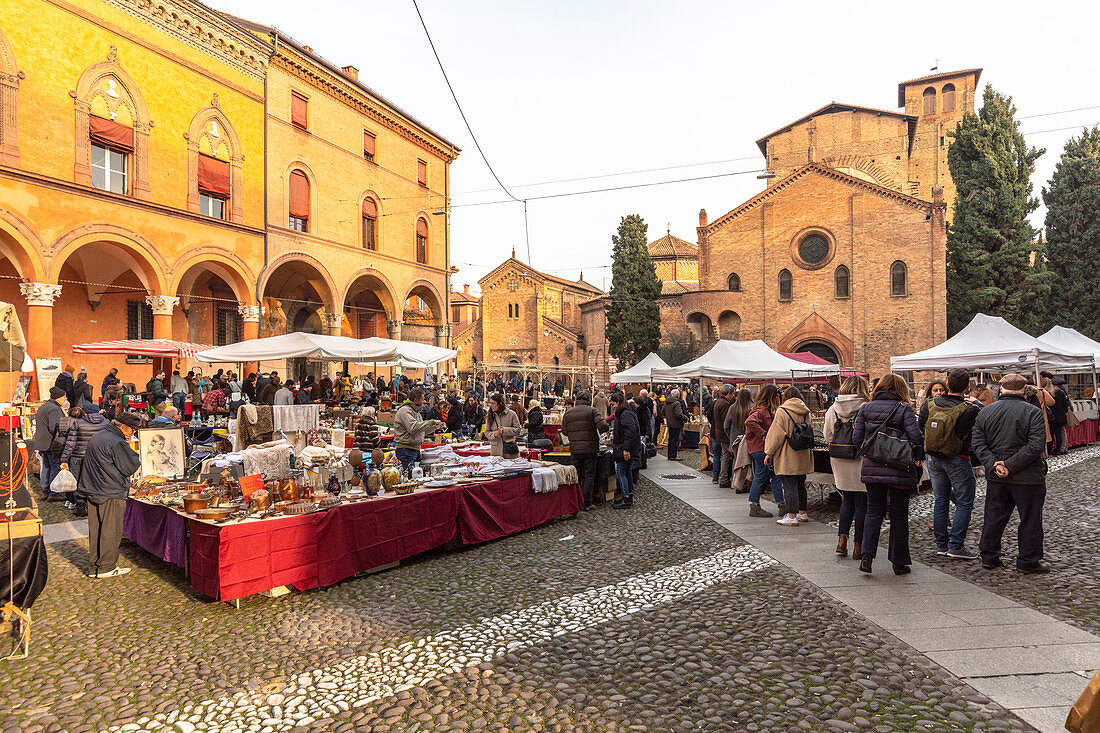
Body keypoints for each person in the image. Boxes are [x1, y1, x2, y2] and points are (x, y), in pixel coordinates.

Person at [972, 372, 1050, 573]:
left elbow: (978, 444)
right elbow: (1036, 446)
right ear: (1025, 390)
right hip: (1027, 477)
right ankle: (1028, 560)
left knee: (994, 516)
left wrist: (996, 465)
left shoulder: (986, 412)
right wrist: (1009, 465)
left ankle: (989, 556)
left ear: (1000, 390)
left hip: (998, 476)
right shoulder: (1032, 412)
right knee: (1030, 519)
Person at [853, 374, 924, 575]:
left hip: (873, 466)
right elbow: (916, 437)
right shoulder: (904, 409)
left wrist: (871, 453)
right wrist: (914, 454)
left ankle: (866, 557)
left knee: (873, 511)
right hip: (899, 468)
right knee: (899, 515)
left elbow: (857, 438)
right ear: (901, 389)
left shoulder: (866, 408)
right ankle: (898, 562)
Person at [919, 368, 982, 559]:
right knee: (964, 502)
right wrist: (977, 402)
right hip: (958, 457)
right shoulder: (970, 409)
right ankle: (956, 545)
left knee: (940, 499)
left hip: (933, 457)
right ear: (967, 387)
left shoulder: (929, 403)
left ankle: (941, 543)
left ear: (947, 384)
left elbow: (921, 426)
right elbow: (987, 420)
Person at [80, 411, 142, 578]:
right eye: (132, 431)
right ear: (123, 427)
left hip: (93, 488)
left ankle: (95, 566)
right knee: (110, 530)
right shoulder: (117, 442)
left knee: (97, 529)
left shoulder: (99, 436)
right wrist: (127, 444)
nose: (132, 434)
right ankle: (106, 567)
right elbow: (130, 466)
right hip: (110, 490)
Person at [824, 376, 871, 558]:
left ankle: (841, 540)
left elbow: (828, 436)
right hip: (861, 459)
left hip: (840, 459)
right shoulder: (867, 408)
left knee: (847, 500)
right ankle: (858, 546)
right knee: (861, 504)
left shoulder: (833, 409)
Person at [764, 386, 813, 527]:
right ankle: (802, 513)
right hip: (803, 452)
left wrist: (769, 452)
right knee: (800, 483)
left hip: (788, 452)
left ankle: (791, 516)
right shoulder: (806, 411)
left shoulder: (782, 411)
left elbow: (776, 435)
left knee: (789, 483)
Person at [60, 401, 109, 518]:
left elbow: (70, 443)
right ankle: (95, 504)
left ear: (85, 413)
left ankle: (80, 506)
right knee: (96, 480)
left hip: (78, 456)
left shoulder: (78, 424)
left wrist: (64, 459)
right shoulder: (106, 423)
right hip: (98, 457)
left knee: (78, 482)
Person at [561, 391, 610, 510]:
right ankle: (587, 502)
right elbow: (603, 426)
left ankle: (575, 501)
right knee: (589, 475)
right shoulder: (592, 411)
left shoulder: (569, 413)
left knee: (576, 475)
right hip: (590, 448)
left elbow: (564, 431)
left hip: (575, 449)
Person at [744, 385, 785, 517]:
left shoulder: (762, 409)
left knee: (774, 476)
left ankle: (781, 504)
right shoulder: (761, 411)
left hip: (761, 448)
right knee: (762, 476)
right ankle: (755, 505)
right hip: (761, 448)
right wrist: (764, 434)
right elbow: (749, 422)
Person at [393, 388, 438, 475]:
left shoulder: (416, 412)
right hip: (406, 450)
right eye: (422, 399)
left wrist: (434, 427)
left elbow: (420, 431)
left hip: (414, 449)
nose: (424, 401)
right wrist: (430, 422)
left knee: (415, 477)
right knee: (410, 477)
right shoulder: (405, 411)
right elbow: (413, 428)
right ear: (415, 400)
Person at [34, 386, 67, 501]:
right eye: (64, 397)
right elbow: (54, 427)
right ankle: (53, 492)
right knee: (54, 466)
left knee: (46, 467)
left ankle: (45, 491)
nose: (65, 398)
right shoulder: (54, 409)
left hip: (42, 442)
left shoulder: (44, 406)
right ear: (59, 398)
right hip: (51, 443)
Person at [609, 392, 641, 510]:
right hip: (624, 447)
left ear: (618, 402)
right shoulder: (625, 413)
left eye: (613, 403)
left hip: (624, 448)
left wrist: (626, 449)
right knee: (626, 471)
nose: (612, 406)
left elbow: (630, 432)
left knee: (620, 471)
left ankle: (626, 496)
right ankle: (627, 496)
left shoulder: (625, 415)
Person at [722, 388, 753, 491]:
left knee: (736, 462)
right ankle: (750, 483)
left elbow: (726, 425)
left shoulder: (732, 408)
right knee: (751, 463)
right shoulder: (752, 408)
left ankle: (737, 484)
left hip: (736, 439)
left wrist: (731, 437)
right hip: (749, 440)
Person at [710, 385, 734, 485]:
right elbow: (727, 421)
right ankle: (723, 477)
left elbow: (709, 414)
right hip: (722, 434)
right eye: (732, 393)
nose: (733, 396)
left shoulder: (718, 401)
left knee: (718, 455)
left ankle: (716, 476)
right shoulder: (724, 404)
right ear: (729, 393)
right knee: (726, 456)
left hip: (716, 432)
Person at [485, 393, 522, 457]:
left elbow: (518, 430)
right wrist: (495, 434)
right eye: (490, 403)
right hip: (496, 451)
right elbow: (486, 432)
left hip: (510, 451)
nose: (491, 405)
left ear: (500, 404)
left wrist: (505, 430)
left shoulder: (512, 414)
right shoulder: (490, 416)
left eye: (493, 403)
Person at [664, 388, 687, 461]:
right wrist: (685, 418)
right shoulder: (676, 403)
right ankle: (673, 455)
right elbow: (678, 414)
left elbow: (662, 412)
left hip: (670, 423)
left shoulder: (667, 402)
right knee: (675, 440)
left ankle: (670, 455)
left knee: (671, 440)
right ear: (677, 396)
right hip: (676, 424)